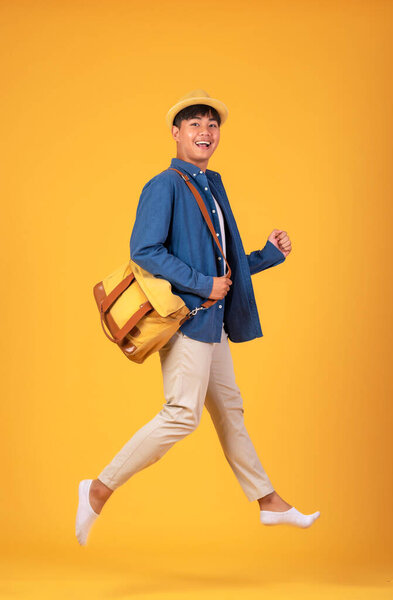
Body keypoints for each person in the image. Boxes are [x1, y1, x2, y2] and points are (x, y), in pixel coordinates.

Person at [76, 89, 320, 546]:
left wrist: (265, 257)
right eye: (194, 124)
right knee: (182, 414)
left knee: (230, 412)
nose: (205, 132)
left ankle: (269, 502)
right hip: (189, 322)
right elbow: (144, 251)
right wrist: (203, 285)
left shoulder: (211, 186)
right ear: (176, 133)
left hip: (214, 326)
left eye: (212, 125)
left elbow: (222, 263)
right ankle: (98, 489)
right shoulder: (164, 185)